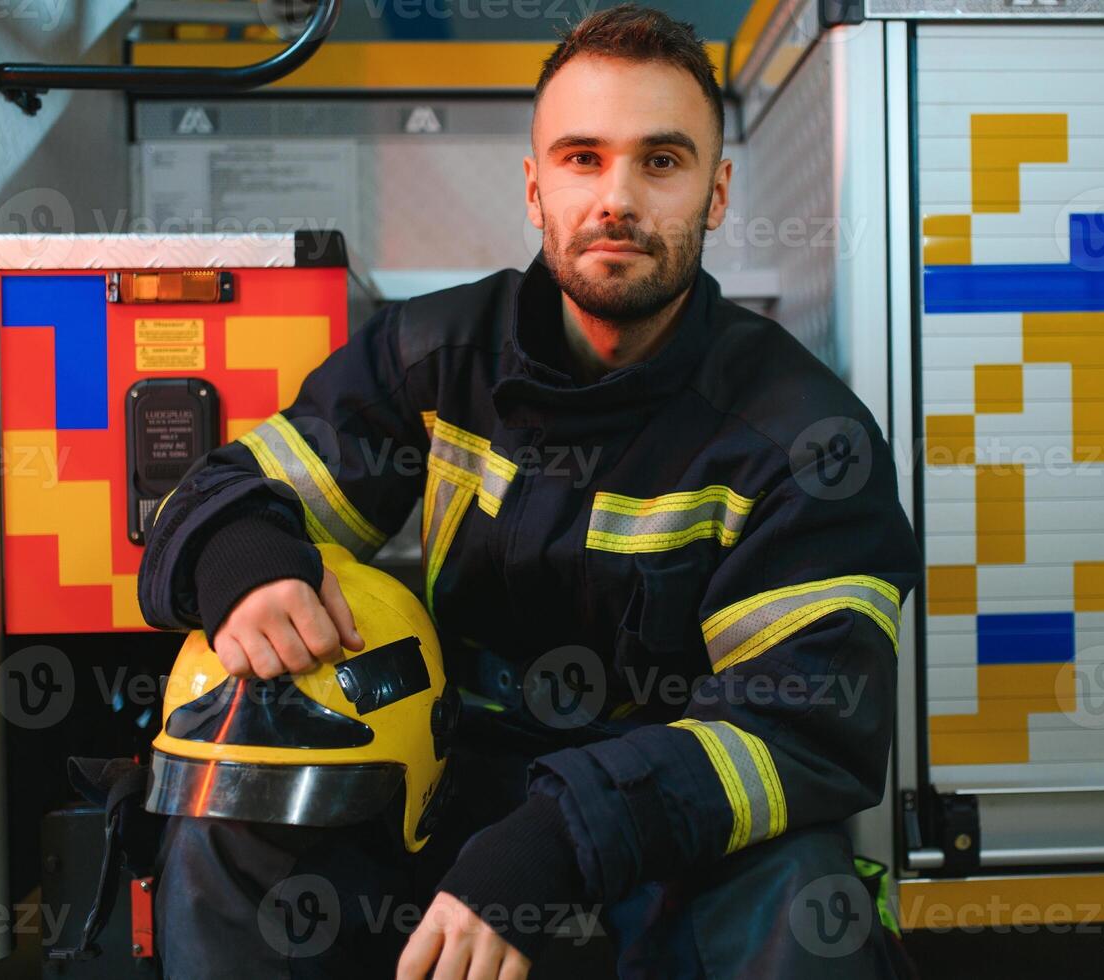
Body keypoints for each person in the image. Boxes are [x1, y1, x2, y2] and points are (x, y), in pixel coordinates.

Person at [137, 5, 922, 978]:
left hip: (670, 835)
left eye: (662, 161)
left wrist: (555, 839)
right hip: (442, 804)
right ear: (535, 186)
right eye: (583, 158)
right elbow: (233, 488)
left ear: (717, 193)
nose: (617, 198)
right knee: (237, 792)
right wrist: (248, 565)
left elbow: (805, 722)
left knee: (809, 902)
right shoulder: (433, 355)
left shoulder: (802, 436)